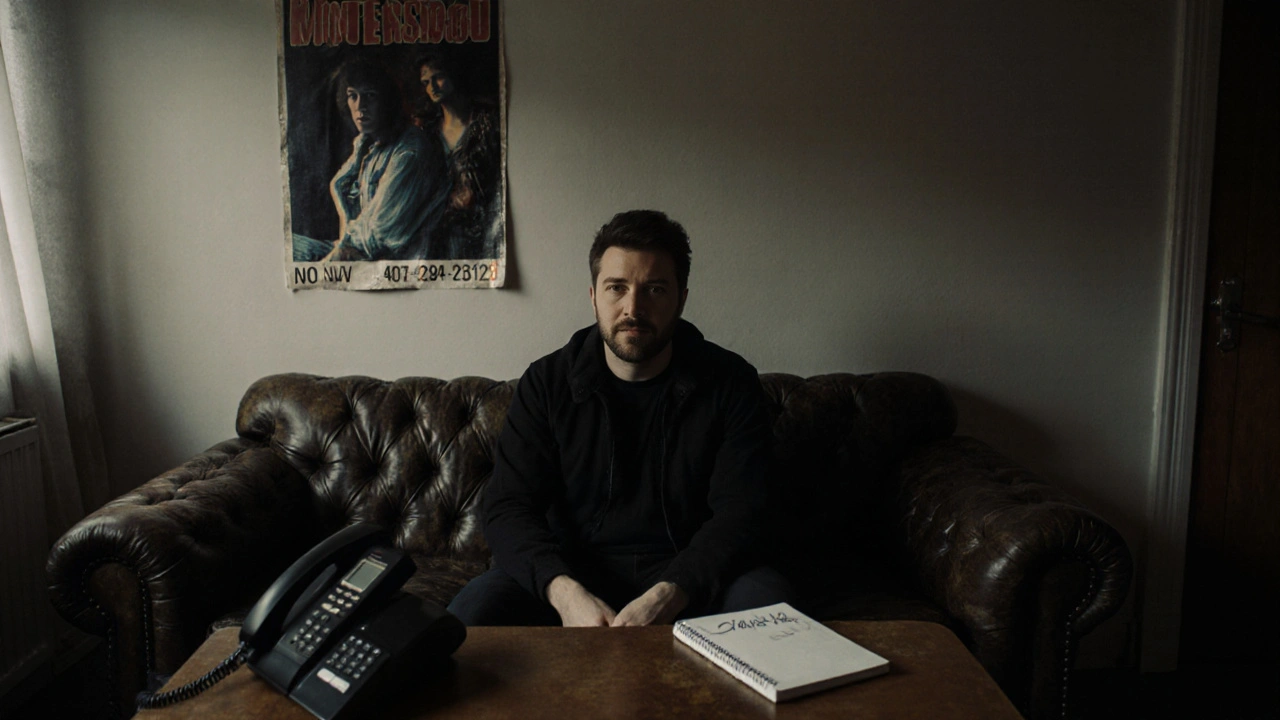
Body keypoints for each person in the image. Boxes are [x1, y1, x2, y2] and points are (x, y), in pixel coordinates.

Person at [448, 210, 792, 627]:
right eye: (617, 288)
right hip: (574, 573)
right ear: (594, 296)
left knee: (770, 612)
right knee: (471, 616)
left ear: (681, 299)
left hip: (692, 573)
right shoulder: (546, 383)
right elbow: (508, 507)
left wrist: (672, 592)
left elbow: (743, 510)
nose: (633, 308)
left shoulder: (730, 381)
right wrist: (564, 593)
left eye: (655, 289)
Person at [320, 59, 448, 262]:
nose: (360, 106)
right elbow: (340, 186)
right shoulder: (368, 145)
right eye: (353, 96)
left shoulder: (410, 150)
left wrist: (340, 249)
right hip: (356, 249)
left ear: (387, 100)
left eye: (370, 96)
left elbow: (379, 233)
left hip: (397, 264)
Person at [412, 50, 502, 260]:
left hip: (478, 230)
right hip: (434, 230)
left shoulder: (486, 123)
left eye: (438, 77)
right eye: (426, 82)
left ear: (453, 74)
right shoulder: (427, 130)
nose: (432, 87)